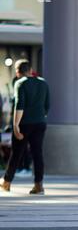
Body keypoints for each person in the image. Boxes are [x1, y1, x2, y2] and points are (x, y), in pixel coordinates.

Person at [0, 59, 50, 195]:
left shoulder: (20, 83)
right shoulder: (43, 83)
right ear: (30, 69)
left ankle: (7, 182)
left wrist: (15, 125)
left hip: (24, 124)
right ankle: (39, 185)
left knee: (16, 153)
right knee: (37, 153)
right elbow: (47, 106)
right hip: (40, 123)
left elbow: (19, 105)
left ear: (17, 72)